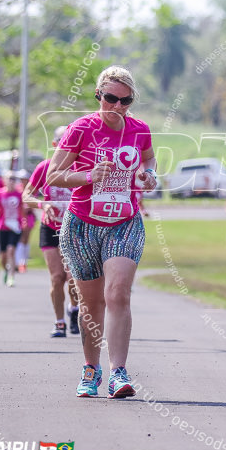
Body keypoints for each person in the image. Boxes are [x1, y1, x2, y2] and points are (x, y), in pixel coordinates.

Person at [47, 66, 158, 399]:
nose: (118, 107)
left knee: (118, 292)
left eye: (125, 100)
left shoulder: (140, 130)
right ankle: (90, 368)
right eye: (111, 98)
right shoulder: (81, 129)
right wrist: (88, 176)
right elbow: (53, 175)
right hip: (82, 223)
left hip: (124, 222)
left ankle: (118, 372)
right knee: (91, 302)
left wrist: (150, 176)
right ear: (99, 95)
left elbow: (149, 163)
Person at [23, 125, 80, 338]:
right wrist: (42, 205)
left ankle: (74, 310)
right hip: (50, 227)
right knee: (57, 278)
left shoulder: (81, 169)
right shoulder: (45, 168)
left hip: (74, 231)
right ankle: (59, 323)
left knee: (73, 278)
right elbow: (26, 196)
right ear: (56, 145)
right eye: (63, 143)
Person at [16, 169, 36, 273]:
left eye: (24, 179)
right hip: (19, 217)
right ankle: (19, 261)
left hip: (28, 217)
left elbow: (32, 206)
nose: (22, 181)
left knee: (25, 239)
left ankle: (23, 261)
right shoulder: (17, 190)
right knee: (19, 239)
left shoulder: (31, 190)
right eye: (21, 179)